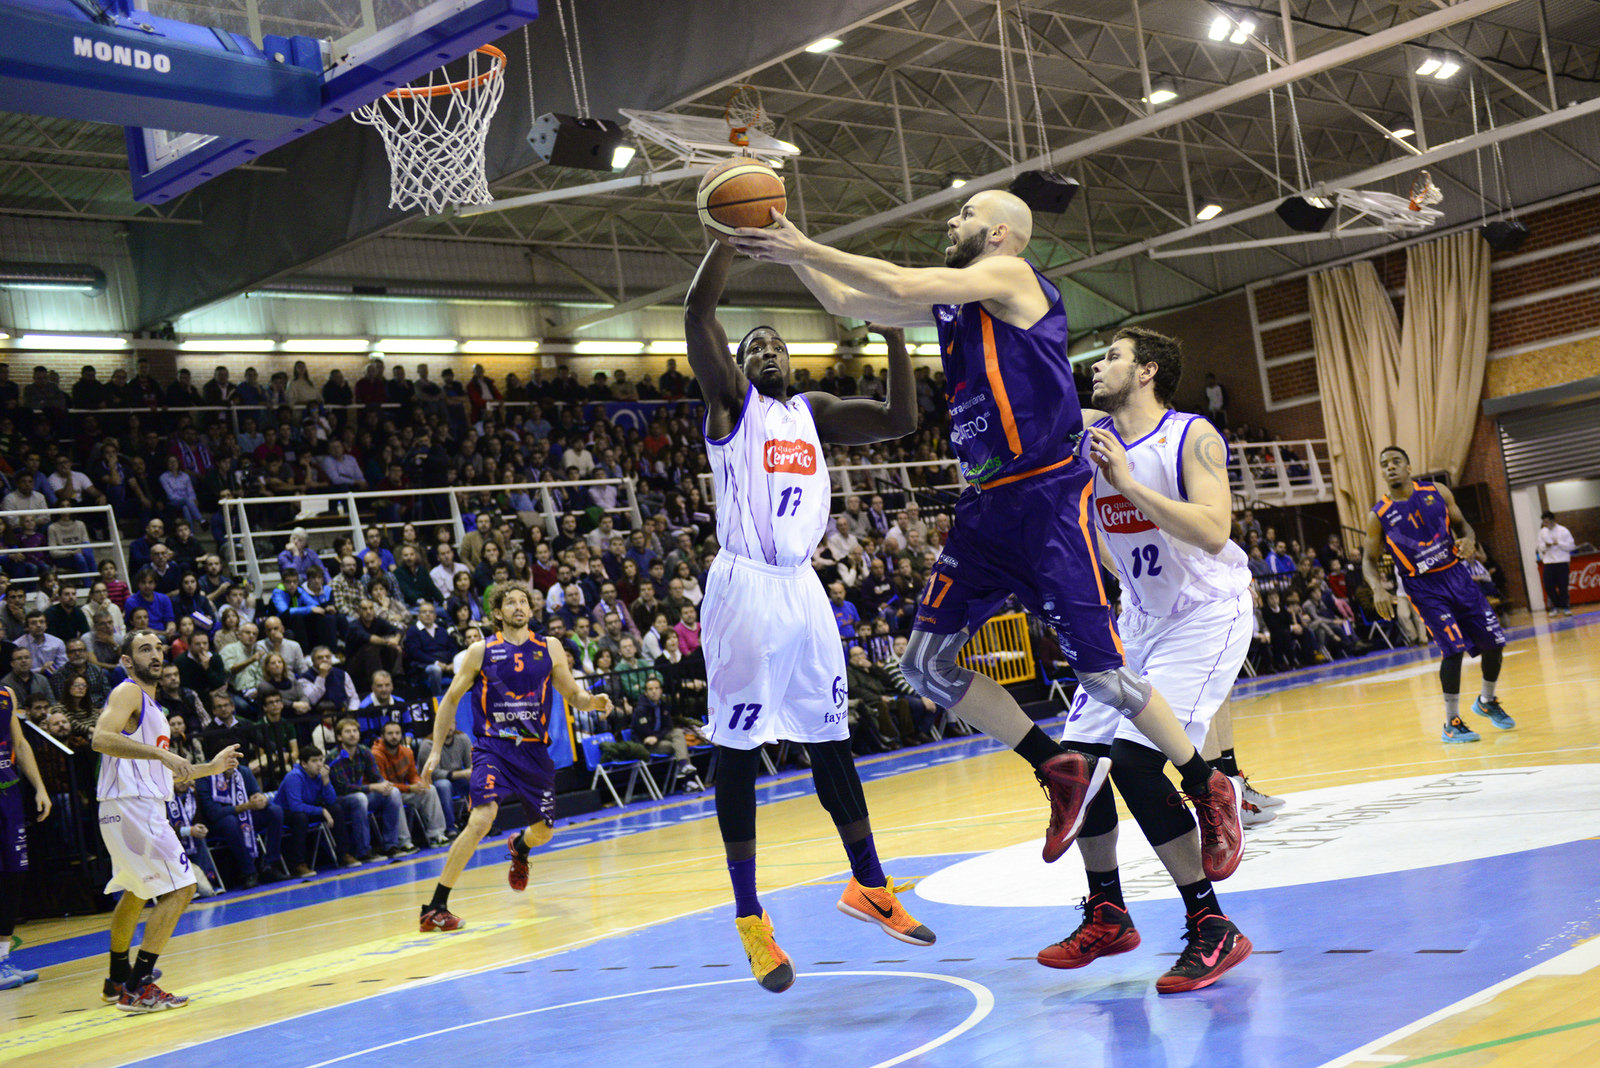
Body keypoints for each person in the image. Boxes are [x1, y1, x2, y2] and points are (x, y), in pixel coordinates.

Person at [734, 189, 1241, 879]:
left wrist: (804, 244)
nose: (952, 221)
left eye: (966, 215)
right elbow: (848, 300)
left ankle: (1205, 783)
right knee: (923, 666)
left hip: (1046, 497)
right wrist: (787, 246)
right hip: (985, 506)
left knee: (1102, 676)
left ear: (1001, 233)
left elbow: (898, 283)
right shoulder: (958, 305)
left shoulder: (1012, 276)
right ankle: (1055, 766)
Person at [683, 240, 934, 996]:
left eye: (777, 345)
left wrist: (891, 329)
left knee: (833, 739)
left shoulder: (811, 413)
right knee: (737, 750)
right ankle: (750, 918)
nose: (767, 351)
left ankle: (871, 885)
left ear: (793, 361)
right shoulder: (732, 405)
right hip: (744, 588)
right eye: (753, 347)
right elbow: (698, 311)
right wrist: (728, 238)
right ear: (737, 366)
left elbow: (900, 417)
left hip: (802, 589)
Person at [1042, 327, 1253, 993]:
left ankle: (1212, 925)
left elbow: (1214, 531)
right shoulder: (1091, 435)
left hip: (1205, 614)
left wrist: (1128, 484)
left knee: (1134, 763)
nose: (1097, 365)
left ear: (1148, 371)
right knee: (1078, 768)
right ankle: (1107, 912)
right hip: (1139, 621)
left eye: (1112, 356)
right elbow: (1039, 397)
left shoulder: (1191, 435)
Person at [417, 582, 612, 931]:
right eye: (510, 602)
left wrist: (592, 702)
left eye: (524, 601)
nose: (519, 606)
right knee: (482, 819)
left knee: (544, 833)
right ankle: (435, 907)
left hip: (534, 752)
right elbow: (450, 699)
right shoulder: (481, 651)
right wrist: (434, 751)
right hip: (493, 747)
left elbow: (573, 694)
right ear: (497, 612)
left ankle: (520, 847)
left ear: (531, 610)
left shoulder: (549, 647)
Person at [91, 628, 241, 1011]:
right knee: (182, 888)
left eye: (158, 648)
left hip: (127, 806)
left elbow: (160, 774)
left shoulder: (153, 709)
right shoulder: (127, 691)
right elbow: (100, 738)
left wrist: (211, 767)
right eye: (145, 649)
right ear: (127, 661)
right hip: (133, 807)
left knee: (137, 890)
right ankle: (139, 986)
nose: (155, 655)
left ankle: (117, 979)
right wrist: (160, 754)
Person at [1364, 447, 1515, 743]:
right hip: (1424, 587)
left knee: (1495, 641)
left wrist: (1469, 540)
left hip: (1457, 575)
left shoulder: (1438, 492)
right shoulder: (1378, 514)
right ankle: (1451, 723)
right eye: (1384, 464)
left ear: (1409, 467)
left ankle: (1487, 701)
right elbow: (1368, 559)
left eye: (1396, 462)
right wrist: (1377, 588)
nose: (1390, 467)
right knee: (1453, 649)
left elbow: (1463, 526)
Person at [1, 683, 52, 989]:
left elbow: (20, 744)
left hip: (8, 794)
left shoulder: (6, 694)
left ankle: (3, 959)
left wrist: (40, 788)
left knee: (13, 875)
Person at [327, 717, 408, 858]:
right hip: (339, 801)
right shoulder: (334, 756)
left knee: (393, 792)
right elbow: (343, 788)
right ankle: (363, 851)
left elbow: (376, 776)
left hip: (361, 796)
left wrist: (384, 784)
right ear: (339, 737)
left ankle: (391, 845)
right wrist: (372, 787)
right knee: (360, 798)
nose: (352, 734)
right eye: (347, 732)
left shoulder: (364, 751)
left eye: (355, 731)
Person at [372, 721, 450, 846]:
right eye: (390, 733)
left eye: (397, 733)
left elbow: (412, 775)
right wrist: (409, 788)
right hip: (382, 795)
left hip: (402, 791)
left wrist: (418, 784)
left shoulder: (407, 752)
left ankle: (437, 834)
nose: (394, 736)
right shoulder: (376, 754)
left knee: (429, 789)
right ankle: (404, 842)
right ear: (382, 736)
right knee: (394, 794)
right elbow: (384, 784)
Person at [1537, 510, 1577, 617]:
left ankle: (1565, 607)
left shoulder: (1563, 530)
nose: (1545, 524)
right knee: (1548, 585)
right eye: (1544, 522)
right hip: (1549, 562)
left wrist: (1558, 543)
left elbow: (1571, 546)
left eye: (1547, 522)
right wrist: (1546, 546)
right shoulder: (1542, 532)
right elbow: (1540, 547)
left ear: (1552, 520)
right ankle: (1556, 606)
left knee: (1563, 586)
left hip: (1562, 561)